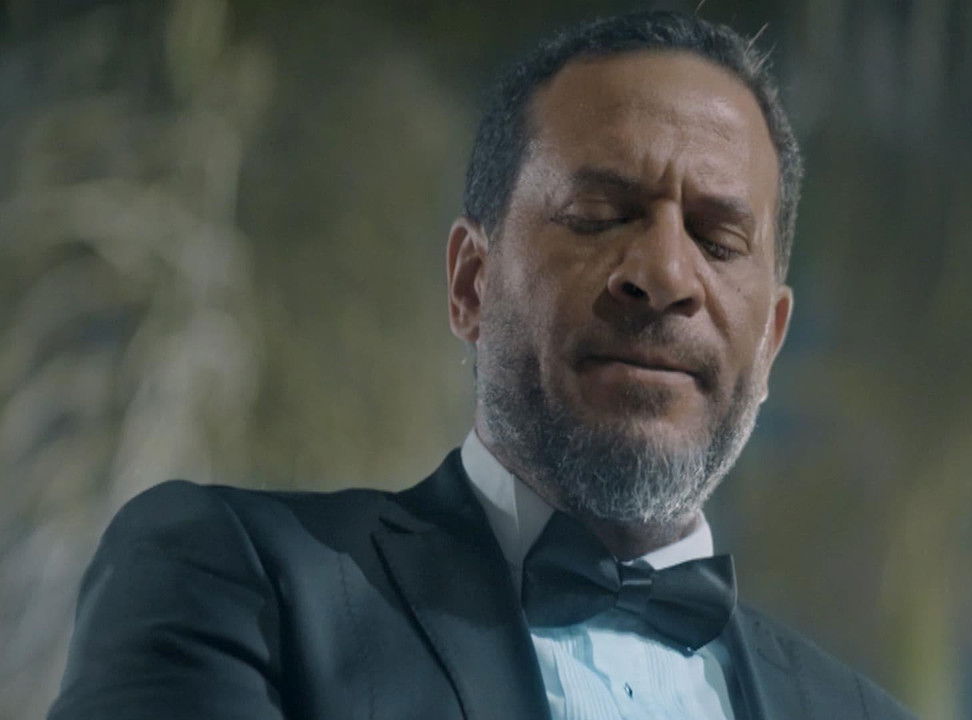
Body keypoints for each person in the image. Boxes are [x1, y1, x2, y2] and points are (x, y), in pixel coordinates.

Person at [50, 11, 914, 720]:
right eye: (599, 213)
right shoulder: (235, 582)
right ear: (471, 282)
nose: (663, 274)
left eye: (718, 239)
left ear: (770, 341)